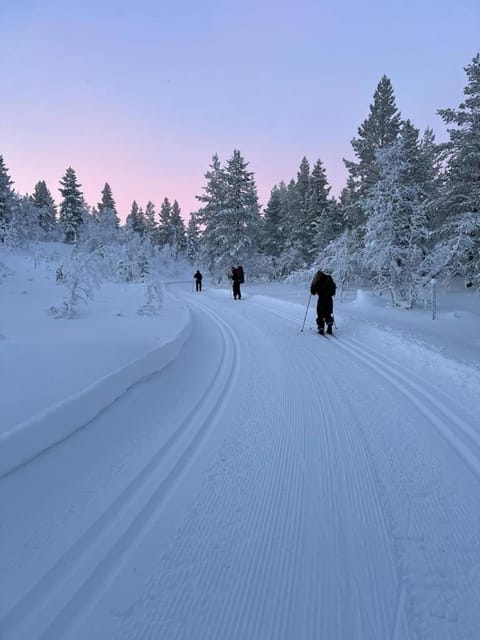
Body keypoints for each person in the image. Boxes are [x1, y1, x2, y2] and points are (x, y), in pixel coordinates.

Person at [310, 270, 336, 335]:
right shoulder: (330, 279)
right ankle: (329, 328)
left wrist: (312, 285)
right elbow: (333, 292)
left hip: (321, 299)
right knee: (328, 313)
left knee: (320, 314)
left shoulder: (318, 280)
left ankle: (321, 329)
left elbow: (313, 292)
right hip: (329, 300)